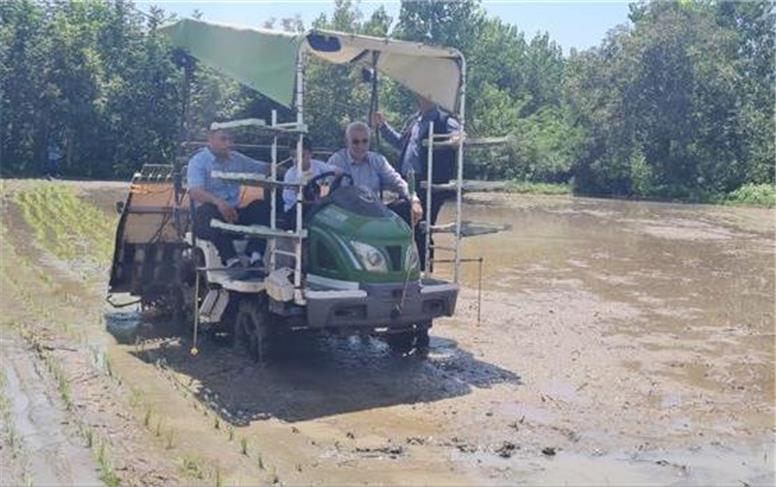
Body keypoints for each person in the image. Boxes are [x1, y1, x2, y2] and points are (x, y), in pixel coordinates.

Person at [372, 96, 462, 269]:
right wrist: (382, 126)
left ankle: (424, 272)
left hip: (430, 185)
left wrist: (456, 138)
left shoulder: (444, 120)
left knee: (422, 228)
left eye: (429, 96)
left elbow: (458, 137)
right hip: (409, 183)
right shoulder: (415, 121)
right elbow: (400, 143)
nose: (425, 99)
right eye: (422, 96)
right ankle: (406, 268)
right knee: (404, 225)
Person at [187, 121, 271, 270]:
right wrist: (218, 202)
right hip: (209, 217)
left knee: (261, 206)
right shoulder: (198, 161)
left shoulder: (237, 159)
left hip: (233, 214)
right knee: (207, 211)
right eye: (223, 139)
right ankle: (232, 261)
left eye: (230, 140)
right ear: (210, 139)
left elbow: (263, 168)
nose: (228, 144)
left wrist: (295, 167)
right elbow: (195, 191)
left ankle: (256, 257)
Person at [326, 121, 423, 228]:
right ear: (346, 142)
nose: (360, 146)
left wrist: (414, 199)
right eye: (355, 142)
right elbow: (326, 191)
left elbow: (397, 181)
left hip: (373, 213)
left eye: (364, 141)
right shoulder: (336, 161)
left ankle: (406, 242)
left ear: (369, 141)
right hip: (346, 216)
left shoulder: (378, 160)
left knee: (406, 207)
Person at [282, 137, 339, 226]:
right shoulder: (291, 175)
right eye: (293, 156)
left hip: (314, 206)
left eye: (302, 156)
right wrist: (301, 197)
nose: (297, 160)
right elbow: (289, 199)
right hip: (295, 210)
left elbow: (331, 169)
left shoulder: (317, 165)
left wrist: (337, 172)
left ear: (310, 154)